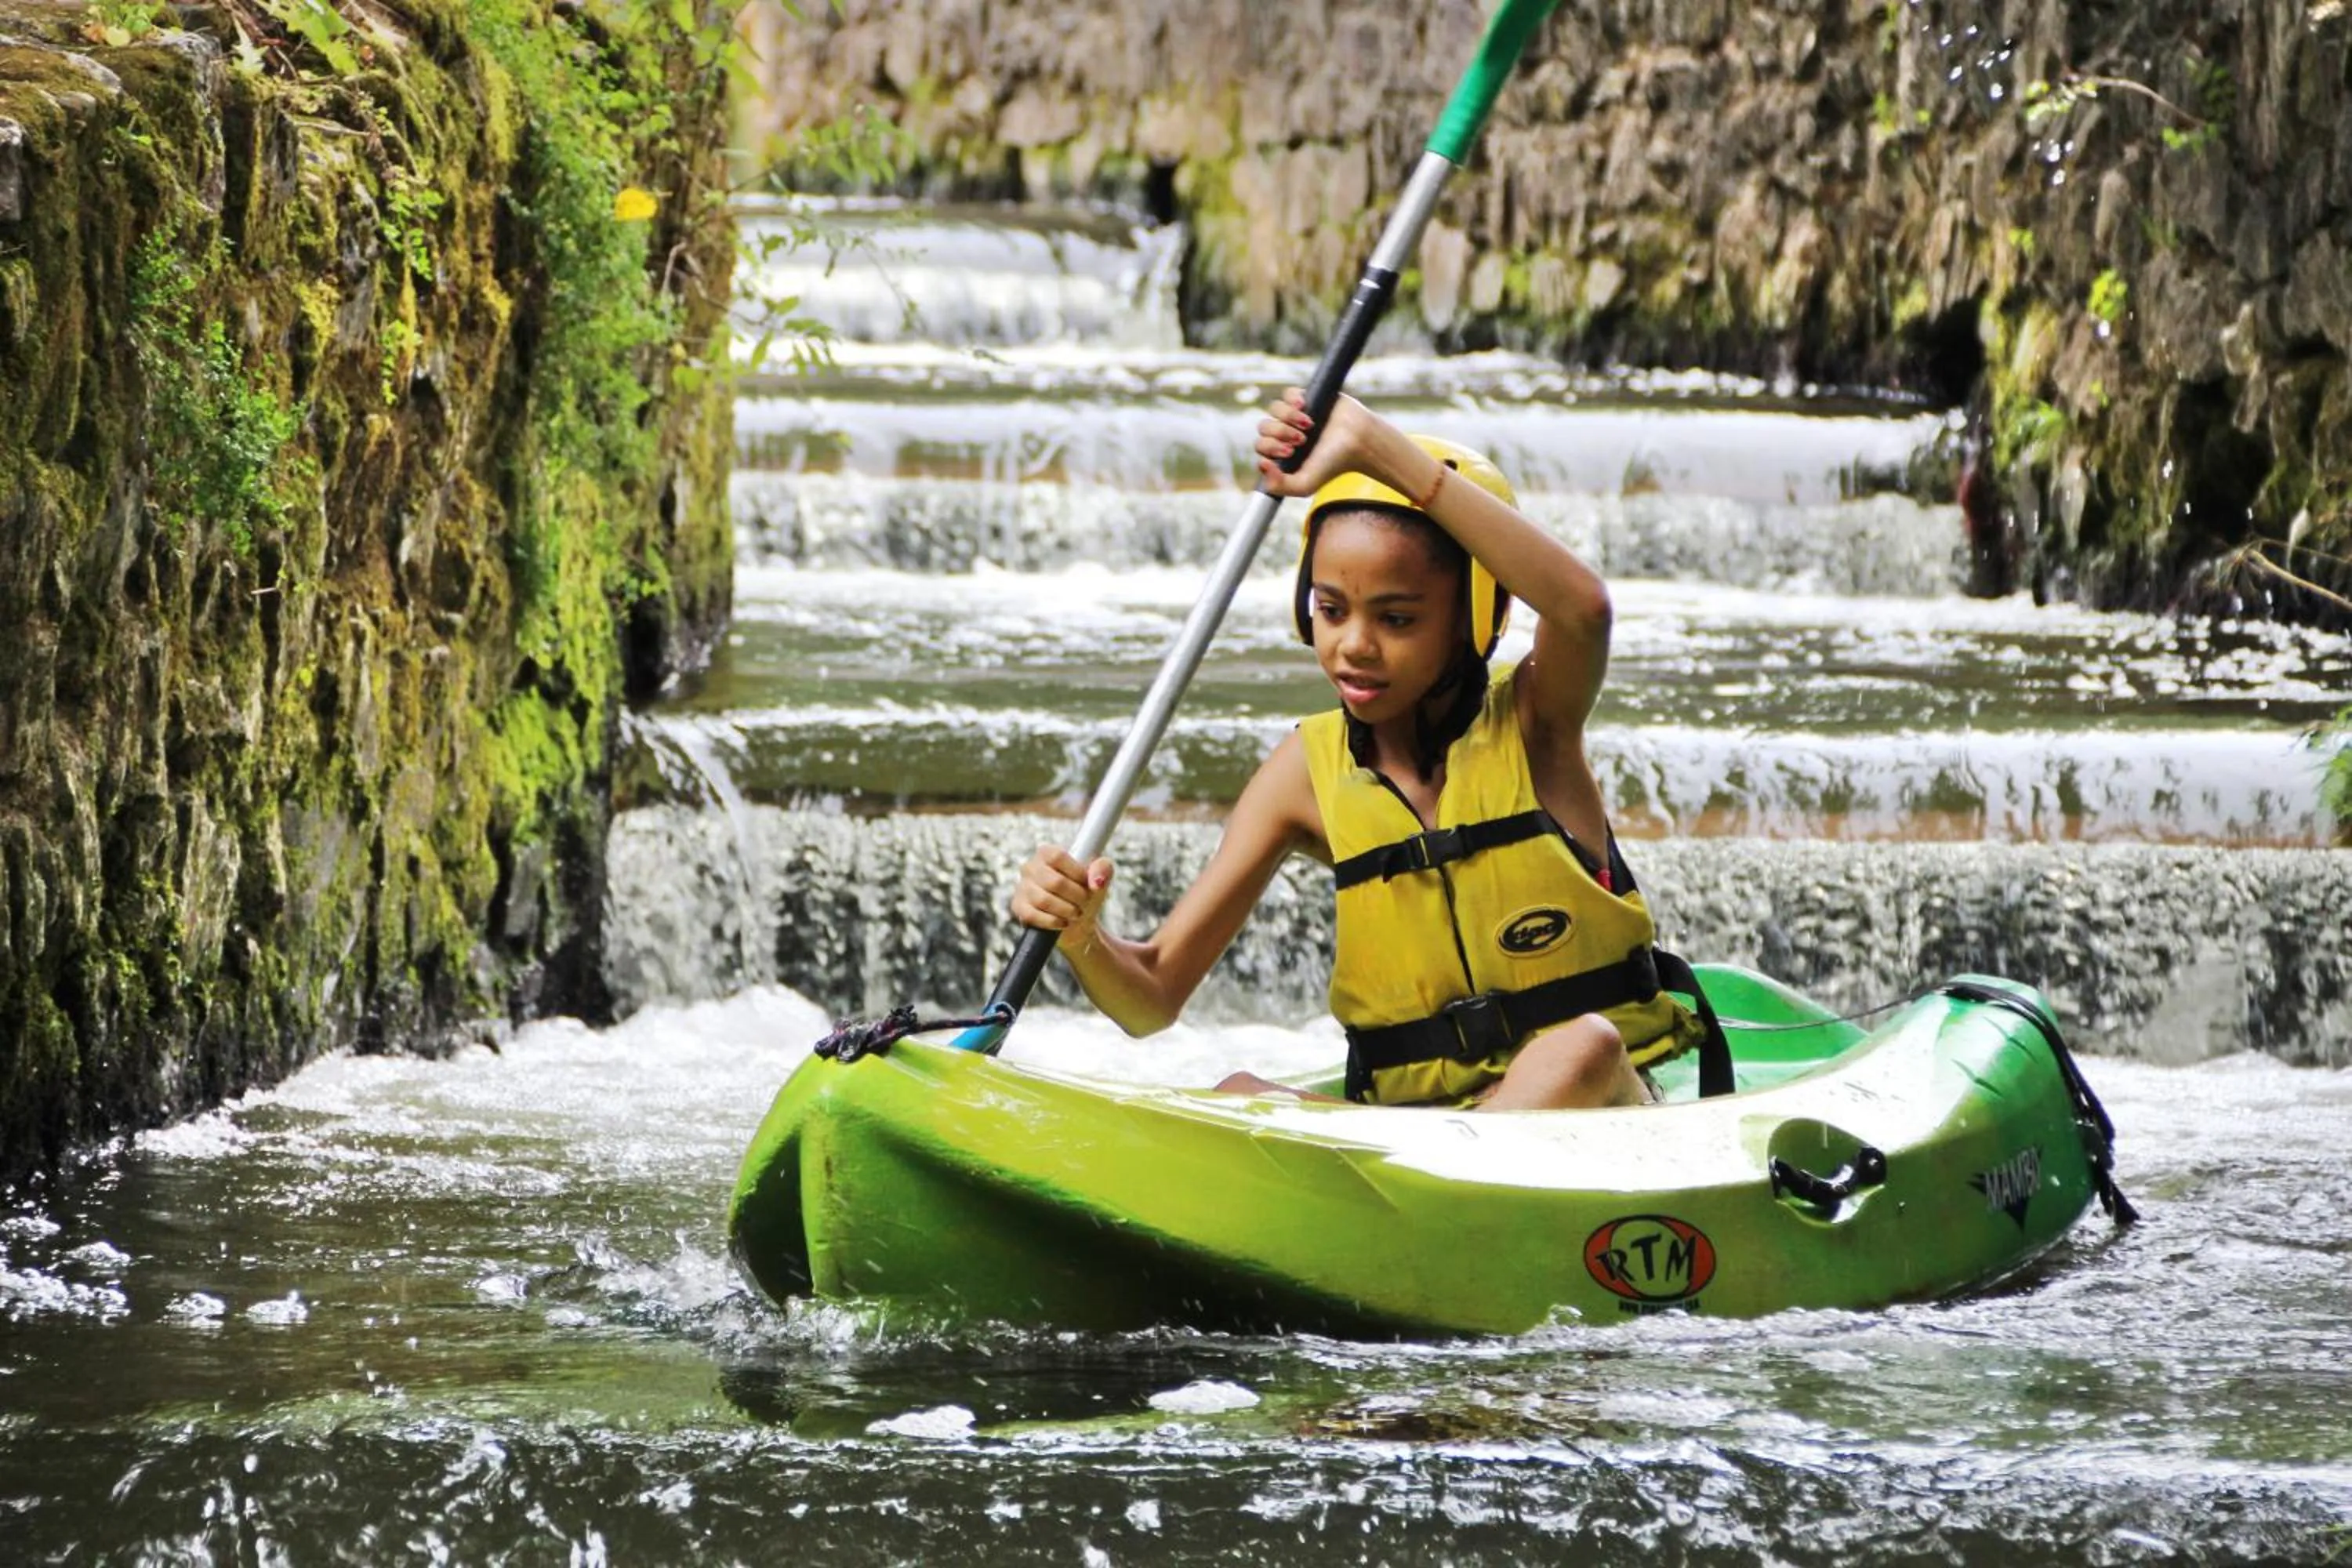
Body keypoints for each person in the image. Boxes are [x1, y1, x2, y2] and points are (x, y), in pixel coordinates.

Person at [1008, 388, 1704, 1109]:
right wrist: (1083, 934)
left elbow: (1583, 608)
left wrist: (1373, 446)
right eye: (1331, 610)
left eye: (1397, 618)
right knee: (1239, 1094)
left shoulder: (1537, 722)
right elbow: (1151, 997)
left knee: (1578, 1048)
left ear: (1477, 616)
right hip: (1412, 1138)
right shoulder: (1304, 773)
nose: (1354, 647)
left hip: (1600, 1121)